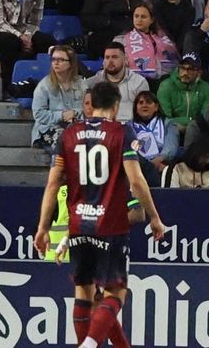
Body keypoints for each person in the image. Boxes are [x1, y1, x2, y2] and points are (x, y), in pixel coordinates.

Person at [33, 80, 167, 348]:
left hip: (78, 226)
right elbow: (136, 180)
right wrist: (155, 217)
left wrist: (42, 227)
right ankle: (89, 344)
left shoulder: (69, 134)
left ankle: (87, 343)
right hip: (110, 224)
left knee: (84, 292)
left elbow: (53, 183)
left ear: (90, 105)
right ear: (116, 106)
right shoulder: (121, 132)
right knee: (115, 292)